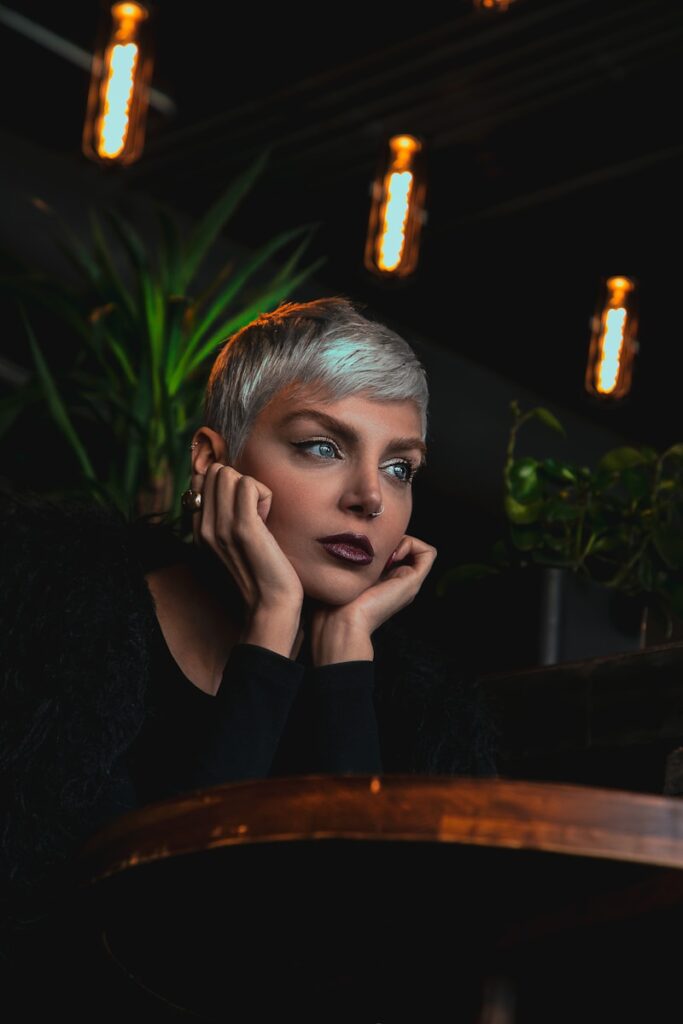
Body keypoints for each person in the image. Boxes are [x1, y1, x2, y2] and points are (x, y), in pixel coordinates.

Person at [0, 295, 498, 914]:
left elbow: (372, 946)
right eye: (323, 446)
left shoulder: (414, 709)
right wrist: (270, 622)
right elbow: (149, 928)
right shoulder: (55, 635)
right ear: (212, 462)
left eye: (400, 467)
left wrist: (344, 652)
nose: (370, 497)